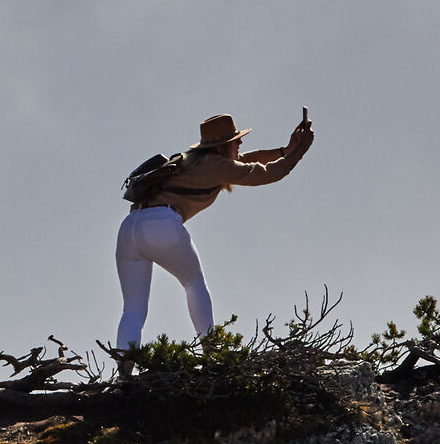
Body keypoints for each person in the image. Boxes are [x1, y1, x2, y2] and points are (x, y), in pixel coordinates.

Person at [116, 111, 314, 347]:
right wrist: (301, 150)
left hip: (129, 229)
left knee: (133, 310)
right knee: (194, 284)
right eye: (236, 139)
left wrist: (286, 149)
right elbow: (271, 172)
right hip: (161, 223)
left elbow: (251, 158)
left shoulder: (191, 161)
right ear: (224, 145)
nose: (240, 142)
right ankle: (211, 353)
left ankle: (123, 377)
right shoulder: (216, 166)